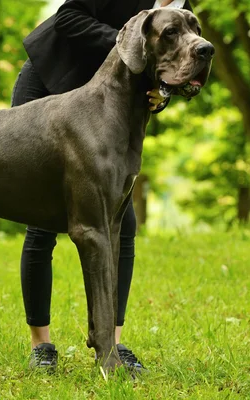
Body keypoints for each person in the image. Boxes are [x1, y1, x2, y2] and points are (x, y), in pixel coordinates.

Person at [12, 0, 191, 373]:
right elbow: (68, 17)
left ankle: (111, 342)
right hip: (52, 77)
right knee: (42, 221)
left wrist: (163, 94)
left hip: (108, 98)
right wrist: (130, 46)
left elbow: (167, 69)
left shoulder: (181, 11)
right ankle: (41, 345)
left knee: (122, 223)